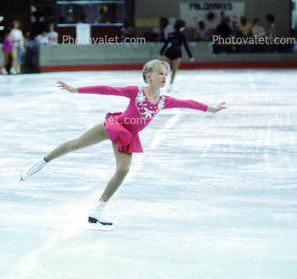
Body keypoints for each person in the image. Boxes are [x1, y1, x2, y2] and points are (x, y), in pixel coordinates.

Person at [19, 59, 227, 228]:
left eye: (166, 74)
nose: (164, 77)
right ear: (148, 76)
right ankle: (42, 162)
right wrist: (76, 90)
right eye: (161, 73)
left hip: (128, 136)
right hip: (115, 126)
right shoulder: (135, 92)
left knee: (124, 169)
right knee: (76, 145)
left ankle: (98, 209)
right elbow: (106, 89)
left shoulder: (164, 101)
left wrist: (211, 109)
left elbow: (188, 103)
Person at [159, 20, 193, 88]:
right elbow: (186, 46)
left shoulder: (171, 34)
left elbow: (165, 44)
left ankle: (161, 83)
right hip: (177, 53)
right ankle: (170, 84)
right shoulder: (182, 35)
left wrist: (161, 53)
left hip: (169, 52)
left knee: (165, 70)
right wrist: (190, 56)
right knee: (174, 71)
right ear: (181, 27)